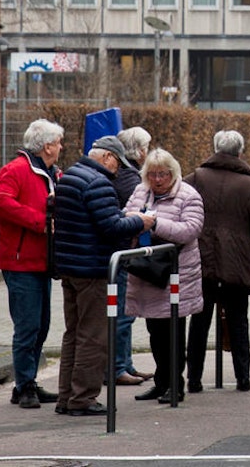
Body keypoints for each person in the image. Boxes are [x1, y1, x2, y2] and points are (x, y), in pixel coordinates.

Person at [51, 137, 153, 417]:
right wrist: (139, 221)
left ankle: (66, 396)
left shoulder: (71, 176)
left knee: (73, 334)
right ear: (108, 157)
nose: (118, 169)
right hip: (93, 269)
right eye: (117, 163)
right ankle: (83, 398)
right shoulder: (98, 183)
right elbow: (111, 226)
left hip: (70, 267)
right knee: (93, 336)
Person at [184, 130, 250, 392]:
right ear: (240, 152)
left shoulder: (197, 178)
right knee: (238, 319)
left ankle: (194, 379)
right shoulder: (249, 185)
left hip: (203, 258)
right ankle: (243, 377)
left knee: (199, 320)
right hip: (236, 260)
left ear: (214, 148)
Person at [0, 118, 64, 409]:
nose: (60, 147)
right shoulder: (17, 170)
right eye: (57, 143)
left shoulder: (51, 172)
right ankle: (23, 385)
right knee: (28, 326)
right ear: (46, 146)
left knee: (41, 326)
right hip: (20, 261)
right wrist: (39, 222)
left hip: (41, 260)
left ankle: (28, 382)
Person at [122, 149, 205, 403]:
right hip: (145, 272)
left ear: (173, 173)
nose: (158, 180)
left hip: (174, 274)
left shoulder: (188, 195)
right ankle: (160, 382)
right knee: (154, 331)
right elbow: (126, 214)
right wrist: (136, 222)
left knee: (173, 331)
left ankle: (175, 384)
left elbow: (191, 230)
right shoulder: (140, 192)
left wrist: (154, 224)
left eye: (163, 174)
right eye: (153, 174)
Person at [110, 127, 152, 386]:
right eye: (146, 147)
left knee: (125, 312)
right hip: (123, 254)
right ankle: (117, 368)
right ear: (138, 151)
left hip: (121, 253)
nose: (148, 152)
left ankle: (125, 364)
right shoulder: (130, 180)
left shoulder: (125, 174)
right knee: (123, 314)